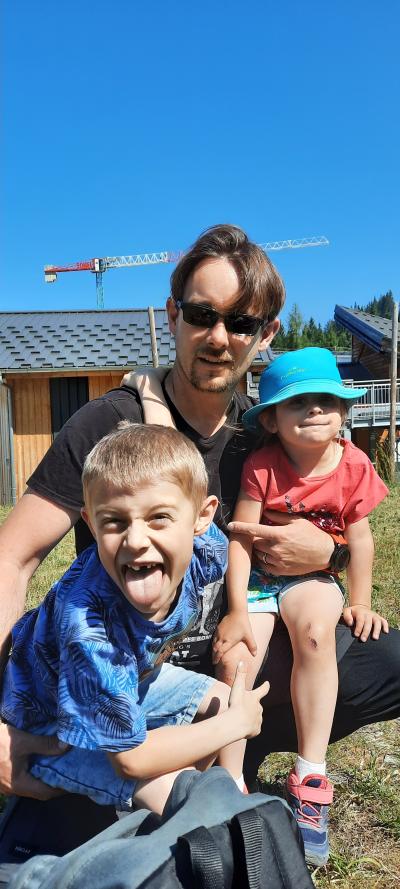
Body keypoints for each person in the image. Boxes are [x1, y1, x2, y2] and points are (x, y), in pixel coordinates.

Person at [0, 225, 398, 862]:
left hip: (235, 647)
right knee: (58, 835)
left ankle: (249, 755)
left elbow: (341, 514)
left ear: (266, 334)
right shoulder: (111, 426)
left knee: (385, 660)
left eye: (241, 322)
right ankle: (130, 770)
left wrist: (334, 557)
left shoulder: (264, 438)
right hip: (122, 670)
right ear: (173, 315)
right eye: (202, 313)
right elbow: (11, 558)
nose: (219, 336)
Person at [1, 423, 268, 814]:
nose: (136, 540)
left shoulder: (207, 550)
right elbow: (131, 759)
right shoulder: (89, 629)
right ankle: (163, 812)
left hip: (131, 680)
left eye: (159, 517)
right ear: (90, 524)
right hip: (47, 724)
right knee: (168, 787)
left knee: (219, 701)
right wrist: (235, 725)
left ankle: (223, 789)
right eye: (114, 522)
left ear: (202, 518)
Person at [211, 348, 389, 865]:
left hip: (315, 574)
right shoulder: (262, 465)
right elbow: (241, 537)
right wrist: (239, 608)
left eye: (326, 400)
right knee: (238, 655)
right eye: (298, 403)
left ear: (344, 410)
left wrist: (360, 600)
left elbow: (361, 540)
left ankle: (311, 776)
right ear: (271, 418)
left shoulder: (353, 463)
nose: (315, 410)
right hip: (261, 577)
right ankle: (228, 782)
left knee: (315, 634)